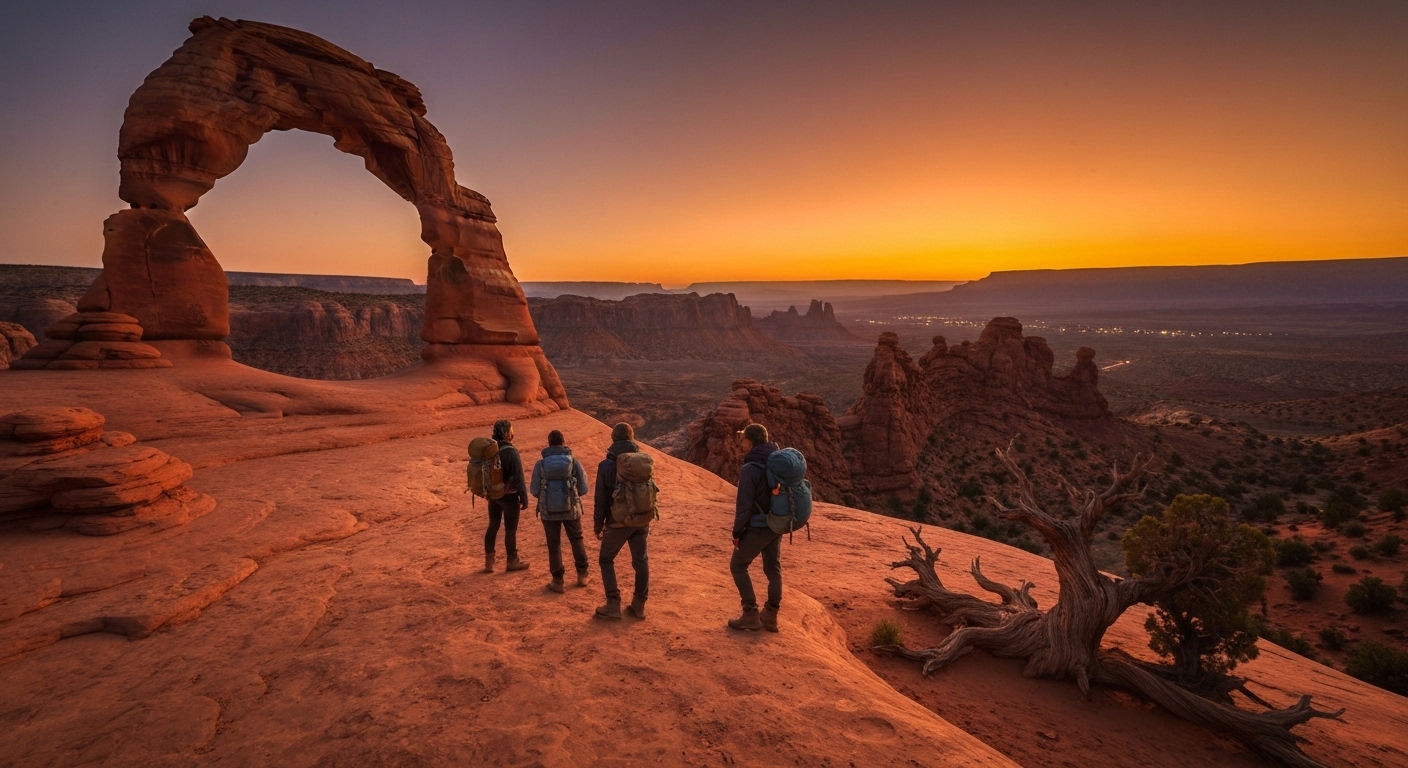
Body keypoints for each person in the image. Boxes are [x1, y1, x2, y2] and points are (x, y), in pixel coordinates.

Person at [728, 423, 783, 632]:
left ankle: (750, 613)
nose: (741, 443)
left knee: (738, 566)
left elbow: (744, 504)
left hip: (759, 526)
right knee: (773, 569)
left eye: (743, 439)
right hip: (777, 524)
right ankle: (771, 616)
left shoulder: (751, 468)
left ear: (749, 441)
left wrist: (737, 532)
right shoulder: (776, 460)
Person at [593, 422, 649, 620]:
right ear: (632, 437)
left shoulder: (607, 465)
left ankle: (613, 604)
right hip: (642, 520)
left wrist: (598, 524)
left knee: (606, 559)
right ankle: (639, 604)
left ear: (613, 439)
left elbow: (601, 498)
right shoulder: (642, 461)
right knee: (640, 560)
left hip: (617, 521)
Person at [530, 429, 591, 593]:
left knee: (554, 544)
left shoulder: (541, 464)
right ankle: (582, 575)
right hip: (571, 508)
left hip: (548, 511)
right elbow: (584, 487)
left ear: (549, 443)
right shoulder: (573, 461)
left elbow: (534, 489)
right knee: (576, 539)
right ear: (563, 442)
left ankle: (557, 581)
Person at [485, 419, 529, 573]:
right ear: (507, 433)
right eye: (511, 430)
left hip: (493, 495)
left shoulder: (490, 449)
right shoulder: (510, 451)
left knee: (493, 526)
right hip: (509, 496)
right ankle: (512, 561)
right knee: (510, 529)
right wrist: (524, 496)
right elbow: (518, 476)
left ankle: (489, 563)